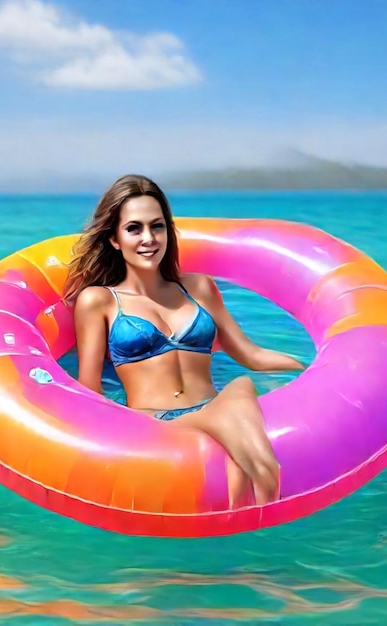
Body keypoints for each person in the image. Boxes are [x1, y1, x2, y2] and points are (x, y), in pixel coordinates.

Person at [64, 174, 305, 509]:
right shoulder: (99, 301)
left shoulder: (198, 288)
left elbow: (251, 355)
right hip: (156, 423)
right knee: (236, 399)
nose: (148, 238)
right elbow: (91, 388)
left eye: (157, 226)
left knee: (241, 385)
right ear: (115, 239)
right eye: (134, 228)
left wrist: (318, 369)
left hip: (216, 406)